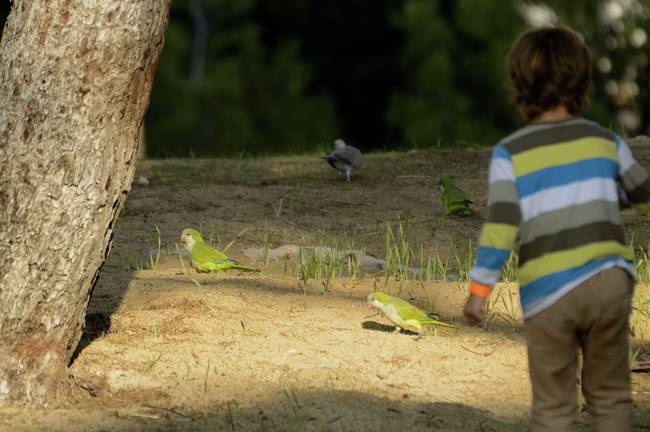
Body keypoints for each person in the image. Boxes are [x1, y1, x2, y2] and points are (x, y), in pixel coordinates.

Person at [463, 26, 650, 432]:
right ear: (582, 80)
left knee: (554, 406)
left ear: (518, 85)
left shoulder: (510, 153)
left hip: (549, 292)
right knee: (611, 395)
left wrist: (480, 291)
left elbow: (501, 227)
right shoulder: (606, 141)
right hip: (608, 281)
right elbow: (641, 192)